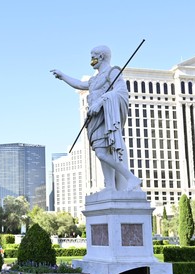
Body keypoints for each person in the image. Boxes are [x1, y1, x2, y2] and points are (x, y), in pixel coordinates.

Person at [51, 45, 141, 192]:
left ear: (101, 57)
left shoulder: (113, 71)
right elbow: (80, 84)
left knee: (102, 152)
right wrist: (62, 76)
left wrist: (100, 102)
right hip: (94, 119)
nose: (91, 60)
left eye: (93, 56)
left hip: (106, 118)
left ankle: (131, 178)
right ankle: (110, 186)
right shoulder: (94, 79)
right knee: (101, 151)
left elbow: (121, 90)